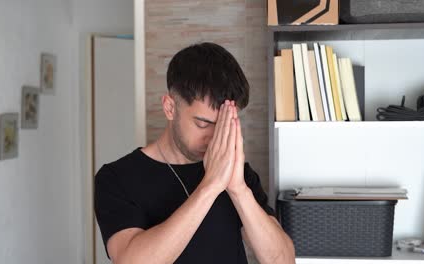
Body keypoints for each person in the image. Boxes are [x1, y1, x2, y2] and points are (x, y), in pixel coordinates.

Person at [94, 42, 295, 264]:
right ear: (170, 107)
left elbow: (282, 260)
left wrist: (238, 189)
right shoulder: (117, 178)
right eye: (202, 123)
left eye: (223, 125)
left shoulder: (237, 173)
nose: (214, 138)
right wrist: (210, 186)